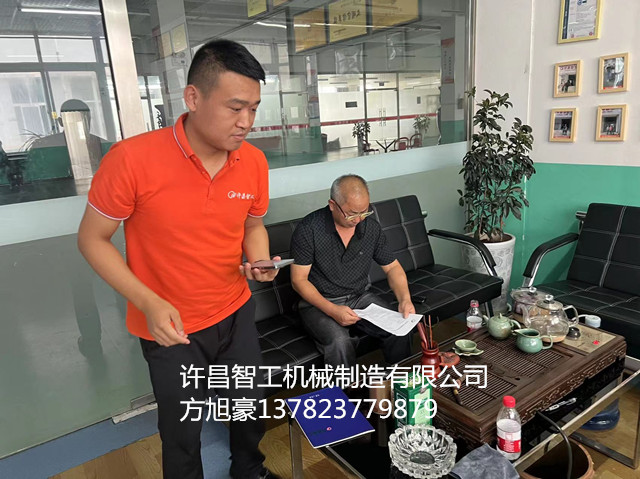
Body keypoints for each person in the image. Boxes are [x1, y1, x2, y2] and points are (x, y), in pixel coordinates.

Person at [77, 39, 281, 479]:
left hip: (235, 311)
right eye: (235, 108)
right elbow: (93, 239)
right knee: (182, 430)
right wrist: (147, 302)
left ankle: (249, 471)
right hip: (171, 327)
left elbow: (253, 225)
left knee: (248, 408)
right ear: (193, 97)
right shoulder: (132, 159)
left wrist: (260, 259)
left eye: (254, 109)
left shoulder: (253, 162)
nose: (246, 122)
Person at [290, 174, 415, 369]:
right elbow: (299, 280)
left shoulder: (370, 228)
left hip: (358, 297)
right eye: (351, 214)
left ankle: (398, 380)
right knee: (340, 342)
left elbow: (392, 267)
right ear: (333, 205)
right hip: (318, 303)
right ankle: (346, 388)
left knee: (400, 327)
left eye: (364, 212)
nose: (358, 219)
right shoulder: (309, 229)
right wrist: (332, 310)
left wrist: (405, 299)